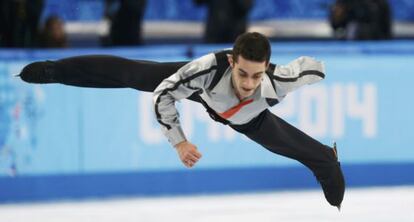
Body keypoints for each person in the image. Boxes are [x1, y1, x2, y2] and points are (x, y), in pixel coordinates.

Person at [18, 32, 345, 209]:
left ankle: (332, 184)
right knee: (135, 73)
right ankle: (55, 70)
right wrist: (180, 141)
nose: (248, 83)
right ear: (231, 61)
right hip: (206, 92)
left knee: (312, 155)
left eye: (256, 76)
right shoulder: (205, 70)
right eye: (242, 73)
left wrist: (323, 66)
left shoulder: (279, 81)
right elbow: (162, 94)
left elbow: (312, 68)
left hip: (250, 118)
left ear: (267, 68)